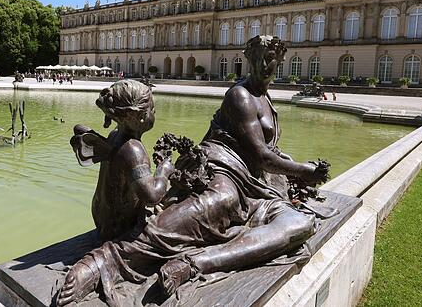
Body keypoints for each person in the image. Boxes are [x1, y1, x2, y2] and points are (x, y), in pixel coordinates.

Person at [58, 36, 329, 305]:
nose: (265, 64)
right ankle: (107, 259)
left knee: (300, 224)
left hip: (256, 186)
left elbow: (268, 154)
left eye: (271, 58)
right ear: (249, 59)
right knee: (209, 206)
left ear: (280, 62)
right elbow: (261, 155)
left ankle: (194, 263)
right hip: (223, 168)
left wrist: (293, 170)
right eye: (259, 58)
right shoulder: (240, 96)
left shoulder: (265, 98)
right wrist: (304, 171)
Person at [70, 80, 174, 241]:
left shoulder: (114, 135)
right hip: (120, 227)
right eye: (152, 110)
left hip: (103, 219)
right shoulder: (133, 150)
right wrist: (163, 170)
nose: (155, 113)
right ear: (139, 116)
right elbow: (151, 196)